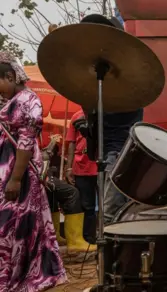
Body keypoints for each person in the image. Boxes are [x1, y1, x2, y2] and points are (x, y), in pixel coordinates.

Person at [0, 52, 67, 291]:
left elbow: (26, 141)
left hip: (20, 175)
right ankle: (20, 273)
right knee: (21, 226)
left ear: (9, 76)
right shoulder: (13, 101)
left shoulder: (29, 100)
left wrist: (15, 179)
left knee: (13, 227)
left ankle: (15, 276)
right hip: (9, 174)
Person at [77, 14, 144, 224]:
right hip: (107, 153)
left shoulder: (123, 80)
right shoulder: (100, 81)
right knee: (111, 214)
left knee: (109, 215)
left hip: (119, 153)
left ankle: (115, 255)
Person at [43, 141, 97, 254]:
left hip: (37, 173)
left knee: (51, 192)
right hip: (33, 175)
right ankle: (75, 241)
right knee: (71, 192)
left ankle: (55, 235)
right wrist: (50, 149)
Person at [66, 110, 98, 243]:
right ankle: (87, 238)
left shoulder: (104, 113)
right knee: (87, 205)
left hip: (102, 165)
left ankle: (105, 236)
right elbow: (71, 143)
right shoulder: (76, 116)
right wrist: (68, 167)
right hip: (81, 166)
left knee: (106, 205)